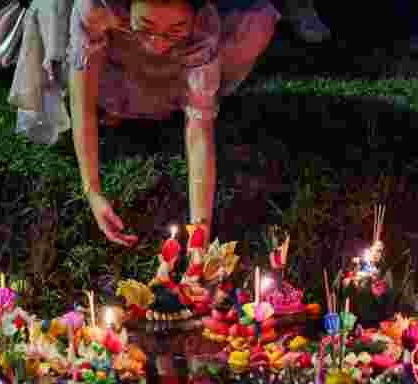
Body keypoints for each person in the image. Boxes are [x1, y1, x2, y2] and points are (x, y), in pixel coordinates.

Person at [67, 0, 279, 246]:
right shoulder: (97, 8)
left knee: (256, 20)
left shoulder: (202, 28)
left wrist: (200, 233)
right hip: (116, 59)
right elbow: (82, 102)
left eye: (176, 29)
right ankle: (120, 102)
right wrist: (92, 190)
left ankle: (159, 96)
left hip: (171, 65)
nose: (158, 42)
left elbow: (200, 130)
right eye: (146, 26)